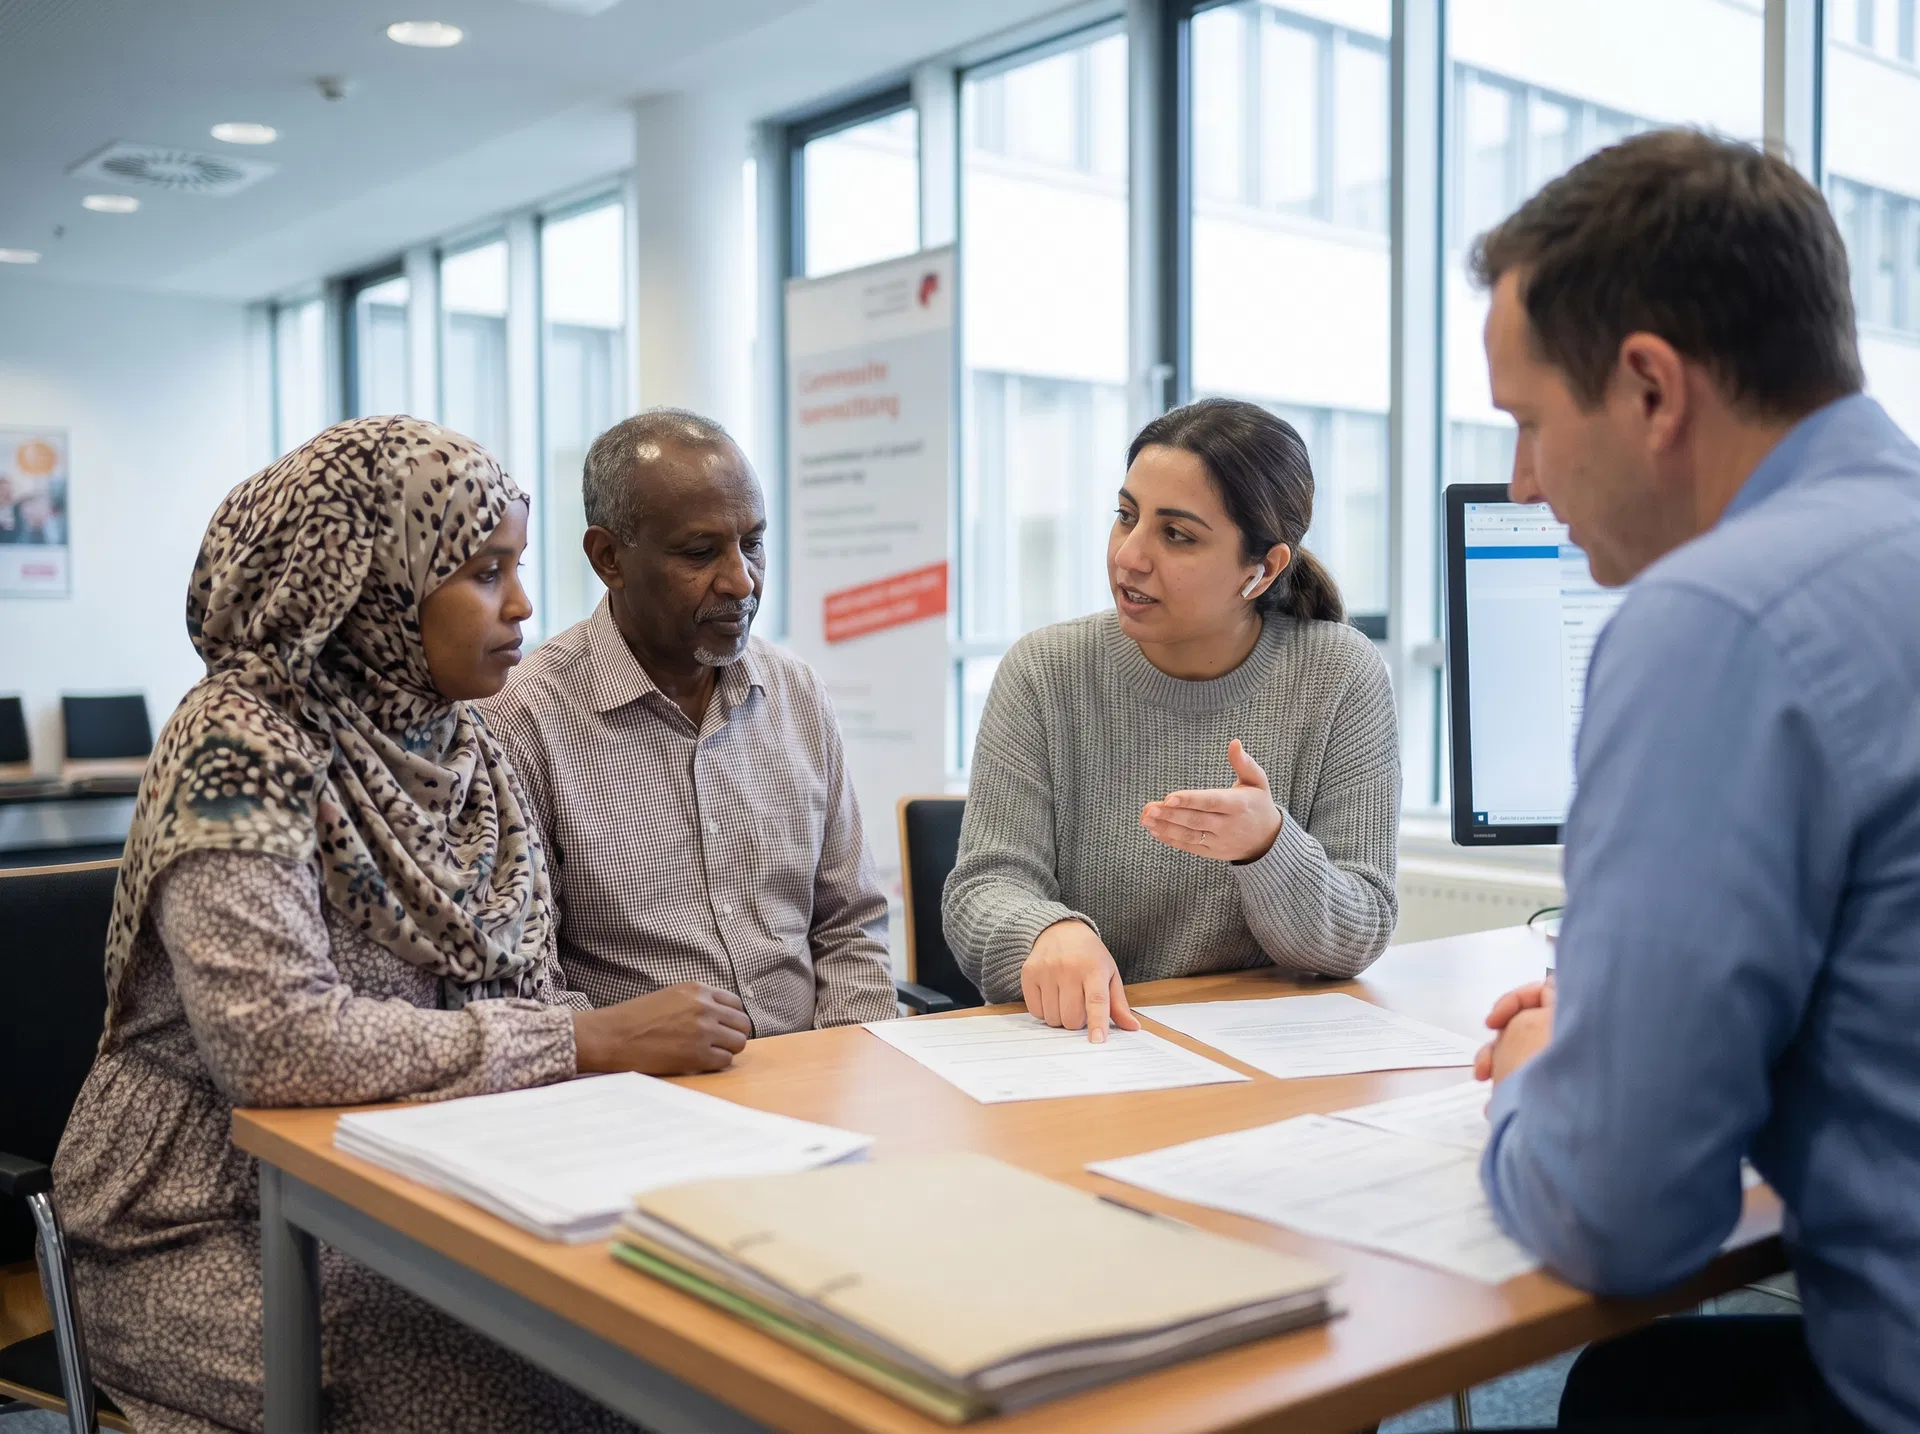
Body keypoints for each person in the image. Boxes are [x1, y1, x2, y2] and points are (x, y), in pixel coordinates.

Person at [52, 416, 751, 1434]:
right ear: (362, 583)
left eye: (515, 567)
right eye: (481, 571)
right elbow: (276, 1046)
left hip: (419, 1177)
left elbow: (522, 976)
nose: (520, 605)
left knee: (658, 1335)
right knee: (505, 1391)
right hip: (210, 1219)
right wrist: (581, 1039)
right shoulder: (235, 743)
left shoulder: (465, 748)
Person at [1470, 130, 1920, 1431]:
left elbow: (1621, 1217)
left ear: (1653, 389)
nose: (1524, 483)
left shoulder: (1714, 619)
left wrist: (1546, 1058)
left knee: (1628, 1396)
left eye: (1531, 424)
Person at [943, 398, 1400, 1041]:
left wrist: (1269, 847)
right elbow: (983, 890)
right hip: (1093, 1047)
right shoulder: (1045, 671)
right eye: (1125, 517)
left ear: (1262, 569)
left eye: (1176, 534)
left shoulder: (1340, 674)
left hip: (1271, 1054)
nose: (1130, 556)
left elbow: (1362, 928)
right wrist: (1047, 930)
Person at [481, 409, 896, 1034]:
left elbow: (850, 928)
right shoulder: (522, 719)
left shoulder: (797, 695)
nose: (741, 580)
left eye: (752, 542)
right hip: (639, 1096)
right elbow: (524, 983)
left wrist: (846, 1063)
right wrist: (628, 1051)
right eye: (700, 553)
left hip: (815, 1081)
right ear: (608, 558)